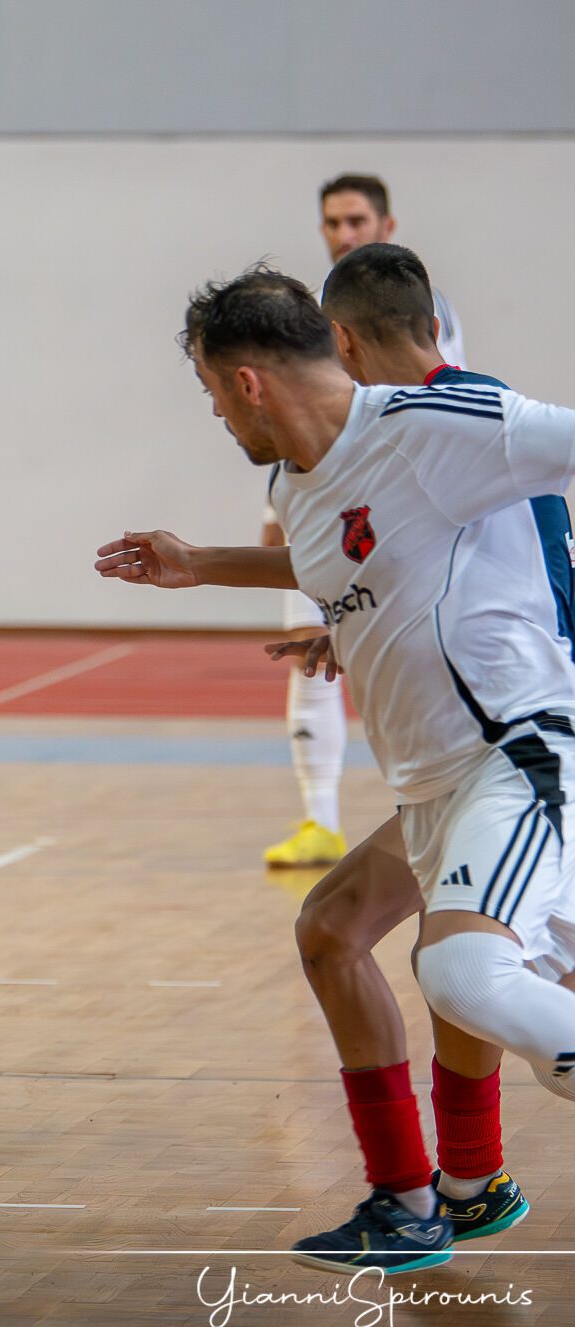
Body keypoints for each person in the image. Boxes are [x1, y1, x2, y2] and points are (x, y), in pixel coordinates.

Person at [96, 264, 575, 1273]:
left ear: (244, 383)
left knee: (460, 968)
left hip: (524, 750)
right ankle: (431, 1198)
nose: (214, 417)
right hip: (436, 784)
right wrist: (200, 564)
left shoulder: (436, 424)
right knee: (331, 929)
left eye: (207, 393)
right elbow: (340, 558)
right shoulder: (291, 481)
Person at [260, 175, 466, 868]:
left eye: (355, 220)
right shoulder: (317, 313)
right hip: (323, 497)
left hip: (391, 507)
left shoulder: (423, 309)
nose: (343, 233)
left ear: (387, 223)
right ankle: (319, 817)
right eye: (332, 222)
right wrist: (274, 503)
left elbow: (432, 409)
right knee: (306, 644)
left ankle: (448, 795)